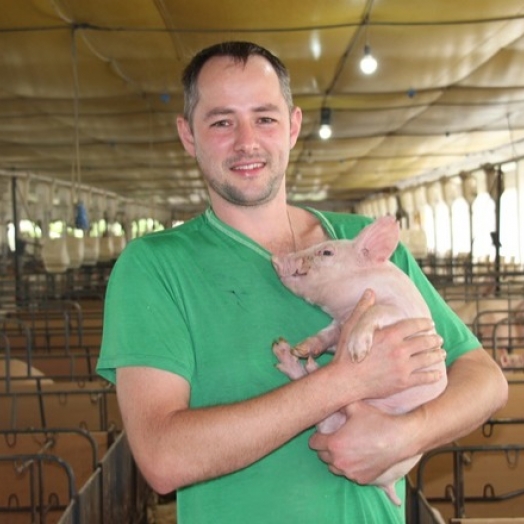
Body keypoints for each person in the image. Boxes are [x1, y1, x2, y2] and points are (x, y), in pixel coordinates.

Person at [96, 41, 508, 524]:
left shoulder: (364, 246)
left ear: (293, 126)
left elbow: (484, 378)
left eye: (265, 118)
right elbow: (163, 458)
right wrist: (346, 382)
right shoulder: (154, 267)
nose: (247, 141)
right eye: (222, 121)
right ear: (188, 135)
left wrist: (408, 434)